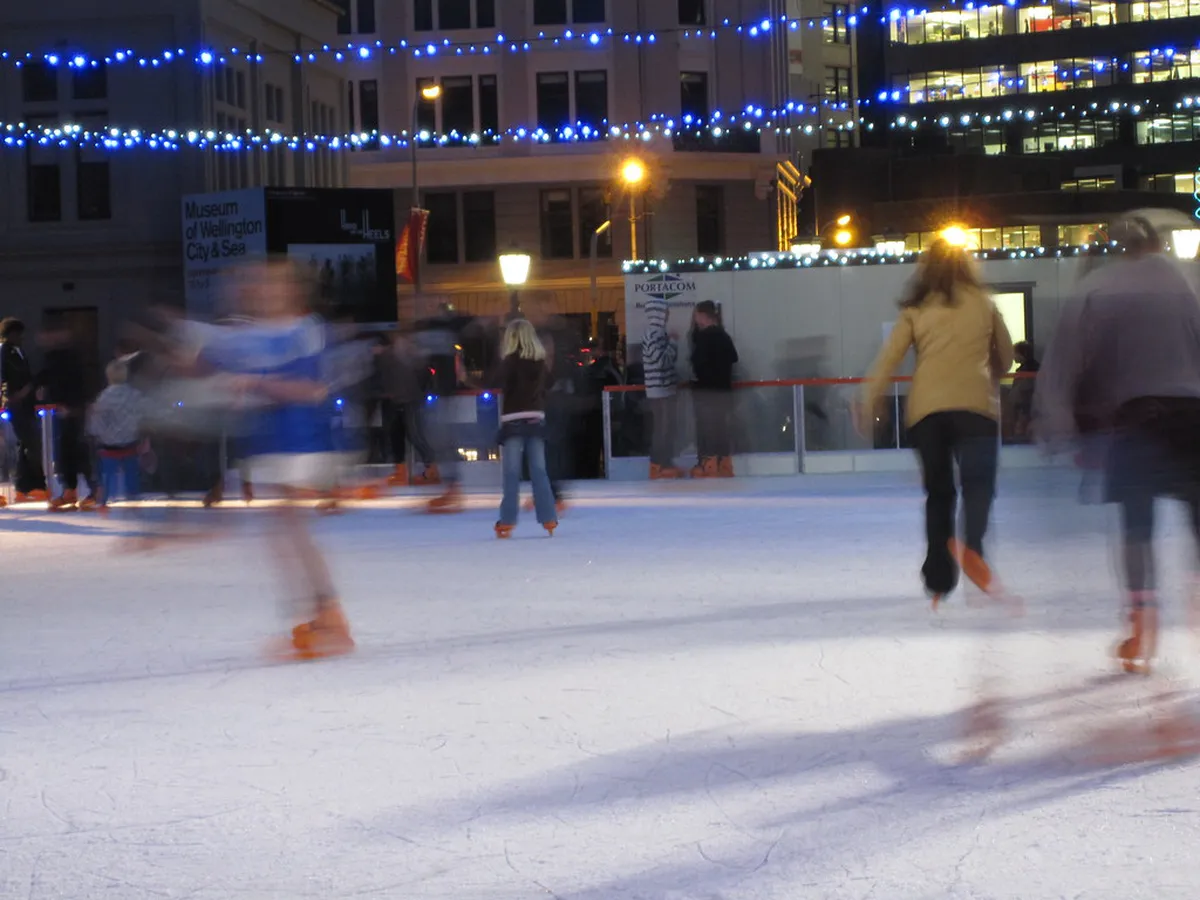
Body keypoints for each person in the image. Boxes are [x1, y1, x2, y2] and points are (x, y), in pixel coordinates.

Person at [1035, 215, 1200, 676]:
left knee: (1136, 525)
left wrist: (1057, 422)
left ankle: (1141, 615)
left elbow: (1066, 361)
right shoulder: (1183, 284)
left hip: (1139, 419)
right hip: (1194, 417)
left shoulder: (1099, 288)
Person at [201, 260, 353, 660]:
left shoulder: (303, 333)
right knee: (285, 532)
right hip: (273, 441)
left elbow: (313, 389)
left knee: (290, 530)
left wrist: (257, 383)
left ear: (291, 291)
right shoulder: (255, 335)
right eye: (257, 285)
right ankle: (324, 613)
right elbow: (219, 364)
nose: (260, 292)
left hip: (300, 441)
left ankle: (329, 615)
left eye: (271, 285)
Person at [857, 237, 1014, 605]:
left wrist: (869, 400)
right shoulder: (984, 304)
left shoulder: (915, 309)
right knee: (978, 486)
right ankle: (972, 546)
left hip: (927, 414)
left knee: (939, 494)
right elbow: (1005, 359)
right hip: (976, 408)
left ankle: (939, 580)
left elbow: (888, 359)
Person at [494, 318, 558, 539]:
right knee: (539, 471)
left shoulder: (509, 362)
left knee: (511, 473)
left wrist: (465, 378)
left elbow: (493, 381)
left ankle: (508, 521)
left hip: (513, 421)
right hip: (535, 420)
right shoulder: (539, 363)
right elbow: (549, 385)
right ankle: (549, 517)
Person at [37, 321, 100, 510]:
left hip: (72, 406)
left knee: (78, 448)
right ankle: (71, 490)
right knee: (67, 449)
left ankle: (91, 489)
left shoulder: (70, 357)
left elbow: (74, 382)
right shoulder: (57, 357)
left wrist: (74, 406)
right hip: (65, 407)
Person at [87, 359, 146, 511]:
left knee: (107, 473)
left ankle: (104, 498)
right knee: (131, 472)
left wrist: (97, 435)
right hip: (131, 442)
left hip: (109, 445)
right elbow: (143, 416)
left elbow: (97, 421)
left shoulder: (104, 397)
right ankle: (133, 497)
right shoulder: (135, 395)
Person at [689, 300, 739, 478]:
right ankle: (724, 463)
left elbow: (697, 364)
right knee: (722, 429)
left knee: (707, 429)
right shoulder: (724, 337)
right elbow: (734, 358)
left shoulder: (704, 338)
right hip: (724, 391)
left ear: (703, 316)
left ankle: (709, 464)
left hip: (707, 392)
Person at [0, 318, 48, 502]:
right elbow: (4, 376)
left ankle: (27, 485)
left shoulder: (20, 352)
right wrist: (13, 394)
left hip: (26, 403)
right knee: (29, 442)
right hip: (16, 403)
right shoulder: (5, 351)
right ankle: (30, 484)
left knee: (26, 444)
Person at [641, 297, 684, 479]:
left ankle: (664, 463)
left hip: (662, 389)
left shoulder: (657, 334)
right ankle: (659, 465)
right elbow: (661, 361)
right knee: (662, 428)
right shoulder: (653, 334)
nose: (667, 316)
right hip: (659, 390)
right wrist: (673, 343)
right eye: (665, 312)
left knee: (665, 428)